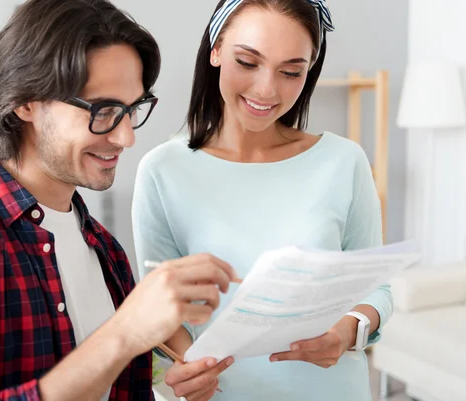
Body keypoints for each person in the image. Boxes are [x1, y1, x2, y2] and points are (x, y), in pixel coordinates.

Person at [0, 1, 238, 400]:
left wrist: (171, 380)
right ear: (26, 100)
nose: (127, 136)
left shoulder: (104, 251)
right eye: (104, 110)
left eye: (132, 109)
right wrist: (123, 333)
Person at [132, 0, 392, 400]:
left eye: (290, 72)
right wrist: (189, 368)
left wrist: (347, 330)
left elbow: (376, 288)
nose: (267, 89)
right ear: (216, 50)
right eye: (248, 62)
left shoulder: (343, 161)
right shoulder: (162, 170)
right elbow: (163, 305)